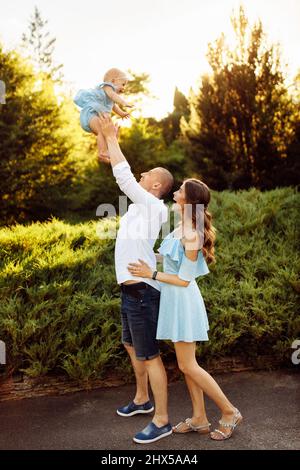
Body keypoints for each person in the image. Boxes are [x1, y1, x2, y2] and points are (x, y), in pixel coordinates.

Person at [127, 178, 243, 441]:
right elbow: (171, 261)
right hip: (173, 300)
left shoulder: (192, 234)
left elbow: (184, 279)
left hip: (184, 301)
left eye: (179, 190)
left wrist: (151, 273)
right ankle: (200, 418)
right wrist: (145, 256)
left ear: (188, 200)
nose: (175, 192)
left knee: (188, 365)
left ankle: (229, 411)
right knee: (186, 365)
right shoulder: (181, 227)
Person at [99, 114, 175, 444]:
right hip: (130, 292)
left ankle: (162, 420)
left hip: (143, 291)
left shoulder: (154, 207)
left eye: (146, 176)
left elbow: (125, 179)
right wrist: (105, 138)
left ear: (155, 186)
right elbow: (113, 165)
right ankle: (142, 400)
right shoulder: (138, 208)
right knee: (131, 346)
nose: (140, 175)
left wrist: (114, 138)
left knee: (149, 355)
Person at [74, 68, 133, 163]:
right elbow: (113, 96)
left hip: (95, 117)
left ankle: (105, 154)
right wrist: (124, 102)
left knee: (106, 133)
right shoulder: (107, 87)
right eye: (123, 84)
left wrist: (122, 113)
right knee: (102, 130)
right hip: (91, 114)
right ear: (113, 81)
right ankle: (103, 151)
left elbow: (114, 106)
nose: (124, 88)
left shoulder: (110, 97)